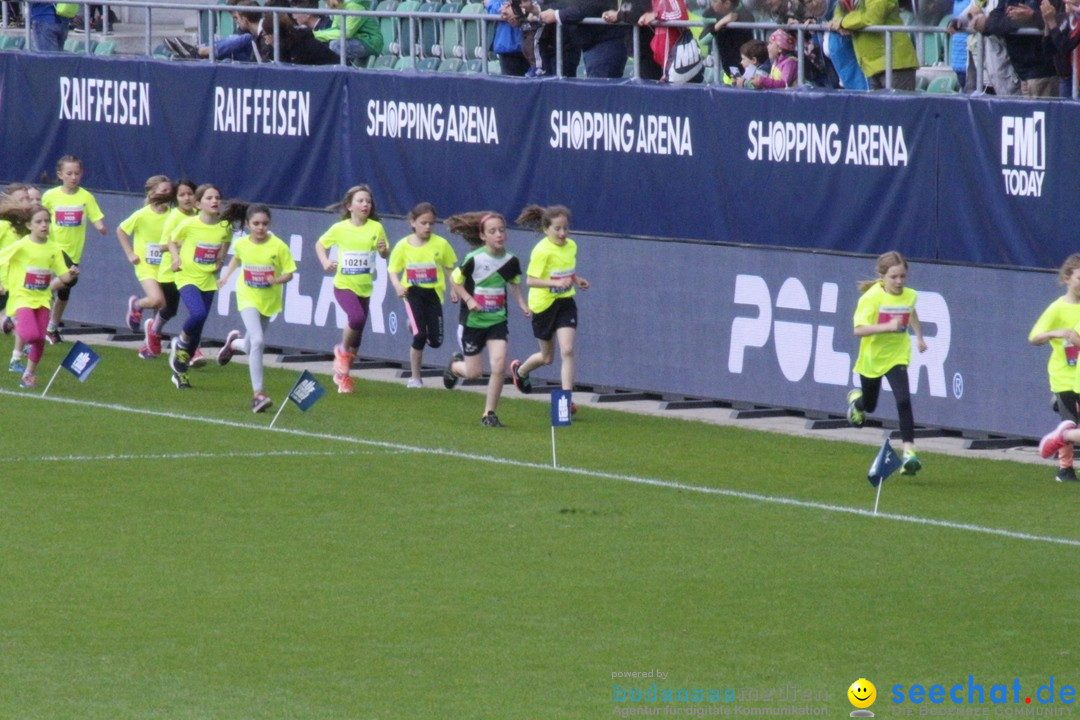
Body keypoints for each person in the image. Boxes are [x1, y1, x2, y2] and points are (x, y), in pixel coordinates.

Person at [443, 211, 531, 428]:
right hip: (473, 323)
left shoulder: (511, 260)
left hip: (497, 321)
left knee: (499, 364)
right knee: (474, 374)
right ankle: (455, 367)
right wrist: (468, 298)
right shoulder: (474, 259)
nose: (499, 235)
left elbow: (514, 283)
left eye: (502, 230)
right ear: (483, 236)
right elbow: (455, 281)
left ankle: (489, 413)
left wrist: (521, 303)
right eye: (493, 231)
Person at [845, 251, 927, 476]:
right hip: (872, 358)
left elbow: (911, 312)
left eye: (902, 276)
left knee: (903, 399)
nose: (899, 281)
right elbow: (858, 330)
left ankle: (909, 453)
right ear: (883, 276)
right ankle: (857, 403)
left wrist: (919, 336)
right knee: (871, 405)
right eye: (894, 277)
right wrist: (887, 327)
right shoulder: (871, 298)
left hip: (897, 355)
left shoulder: (909, 295)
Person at [216, 204, 297, 413]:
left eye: (264, 224)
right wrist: (226, 276)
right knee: (259, 341)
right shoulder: (242, 243)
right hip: (247, 297)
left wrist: (276, 279)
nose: (260, 228)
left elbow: (289, 273)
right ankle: (258, 394)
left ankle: (234, 344)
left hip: (269, 300)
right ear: (247, 224)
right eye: (256, 224)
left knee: (252, 344)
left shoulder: (278, 246)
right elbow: (237, 258)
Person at [509, 205, 590, 413]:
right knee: (547, 358)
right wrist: (555, 284)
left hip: (565, 303)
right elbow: (531, 280)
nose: (563, 233)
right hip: (543, 306)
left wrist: (576, 280)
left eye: (565, 228)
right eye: (557, 229)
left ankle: (566, 400)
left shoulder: (571, 246)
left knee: (568, 350)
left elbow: (567, 272)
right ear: (546, 229)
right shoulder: (542, 251)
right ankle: (521, 372)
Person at [315, 184, 390, 394]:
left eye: (368, 201)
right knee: (355, 319)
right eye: (360, 201)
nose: (365, 204)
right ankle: (341, 351)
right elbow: (320, 244)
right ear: (349, 206)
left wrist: (384, 251)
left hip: (364, 287)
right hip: (343, 285)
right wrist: (324, 262)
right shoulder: (340, 228)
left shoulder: (376, 228)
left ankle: (343, 376)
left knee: (357, 336)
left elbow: (384, 253)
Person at [166, 184, 241, 390]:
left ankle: (180, 372)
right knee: (197, 314)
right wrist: (175, 258)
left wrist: (221, 258)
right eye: (209, 198)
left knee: (198, 329)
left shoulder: (224, 227)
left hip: (208, 280)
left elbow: (226, 241)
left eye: (217, 197)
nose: (214, 201)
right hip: (187, 276)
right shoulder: (189, 224)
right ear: (198, 204)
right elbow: (171, 241)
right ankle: (179, 343)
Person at [0, 205, 79, 389]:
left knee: (39, 339)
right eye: (39, 222)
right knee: (32, 335)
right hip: (22, 297)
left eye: (47, 221)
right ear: (29, 225)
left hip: (42, 299)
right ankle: (12, 322)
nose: (44, 225)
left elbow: (63, 275)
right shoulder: (22, 245)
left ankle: (28, 375)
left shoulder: (53, 248)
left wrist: (72, 273)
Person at [387, 203, 458, 389]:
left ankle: (415, 325)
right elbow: (393, 269)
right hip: (412, 292)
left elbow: (451, 268)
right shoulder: (403, 245)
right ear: (413, 222)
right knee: (420, 336)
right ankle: (415, 378)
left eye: (431, 224)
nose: (427, 227)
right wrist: (397, 286)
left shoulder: (441, 244)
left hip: (433, 293)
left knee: (436, 341)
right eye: (423, 223)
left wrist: (454, 288)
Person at [40, 155, 107, 345]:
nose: (73, 177)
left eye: (77, 173)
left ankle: (51, 328)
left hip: (74, 251)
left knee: (65, 290)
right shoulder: (50, 196)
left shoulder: (85, 197)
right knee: (71, 277)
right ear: (60, 174)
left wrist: (100, 226)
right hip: (53, 246)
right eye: (69, 173)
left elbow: (95, 216)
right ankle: (42, 293)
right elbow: (40, 216)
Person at [1027, 254, 1080, 482]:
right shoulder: (1057, 308)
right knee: (1069, 421)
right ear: (1067, 278)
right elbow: (1034, 337)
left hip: (1078, 373)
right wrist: (1056, 333)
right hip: (1063, 374)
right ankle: (1065, 468)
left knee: (1071, 425)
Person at [116, 175, 173, 358]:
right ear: (152, 193)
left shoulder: (173, 214)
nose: (167, 194)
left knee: (160, 312)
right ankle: (137, 304)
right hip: (145, 265)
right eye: (163, 191)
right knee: (157, 300)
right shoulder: (142, 214)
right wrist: (130, 253)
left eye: (169, 191)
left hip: (165, 266)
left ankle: (149, 347)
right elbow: (121, 230)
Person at [147, 179, 198, 361]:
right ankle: (154, 330)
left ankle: (191, 348)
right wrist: (183, 243)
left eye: (190, 194)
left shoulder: (199, 215)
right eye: (182, 195)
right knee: (170, 310)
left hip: (191, 271)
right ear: (176, 198)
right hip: (170, 271)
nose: (186, 198)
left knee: (196, 311)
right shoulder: (174, 217)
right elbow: (162, 246)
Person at [969, 0, 1057, 95]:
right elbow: (994, 18)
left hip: (1042, 71)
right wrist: (1013, 21)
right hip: (1020, 71)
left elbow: (1057, 19)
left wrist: (1031, 17)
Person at [829, 0, 919, 90]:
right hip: (872, 67)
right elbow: (839, 14)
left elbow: (873, 17)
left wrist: (843, 23)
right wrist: (840, 24)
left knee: (898, 104)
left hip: (895, 64)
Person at [540, 0, 627, 77]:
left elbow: (586, 7)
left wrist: (556, 15)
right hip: (591, 45)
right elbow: (568, 4)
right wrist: (538, 9)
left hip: (606, 44)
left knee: (599, 91)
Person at [0, 184, 33, 340]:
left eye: (28, 198)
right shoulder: (4, 226)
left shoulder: (27, 228)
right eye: (21, 199)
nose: (27, 202)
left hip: (17, 285)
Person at [602, 0, 665, 80]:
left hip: (650, 48)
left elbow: (639, 13)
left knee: (651, 86)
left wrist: (618, 15)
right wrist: (617, 13)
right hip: (648, 48)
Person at [312, 0, 383, 63]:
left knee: (335, 45)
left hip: (370, 42)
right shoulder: (339, 7)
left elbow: (346, 33)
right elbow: (335, 29)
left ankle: (344, 69)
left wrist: (316, 35)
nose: (326, 5)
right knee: (323, 43)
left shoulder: (355, 7)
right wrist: (316, 34)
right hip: (357, 38)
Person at [700, 0, 755, 80]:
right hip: (730, 69)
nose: (712, 5)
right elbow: (703, 39)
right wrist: (720, 23)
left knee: (744, 84)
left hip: (746, 68)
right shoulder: (716, 14)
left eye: (715, 2)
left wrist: (723, 21)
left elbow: (749, 18)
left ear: (727, 4)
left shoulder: (745, 15)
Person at [489, 0, 531, 75]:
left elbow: (541, 5)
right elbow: (491, 5)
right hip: (507, 46)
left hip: (534, 45)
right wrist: (506, 8)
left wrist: (517, 9)